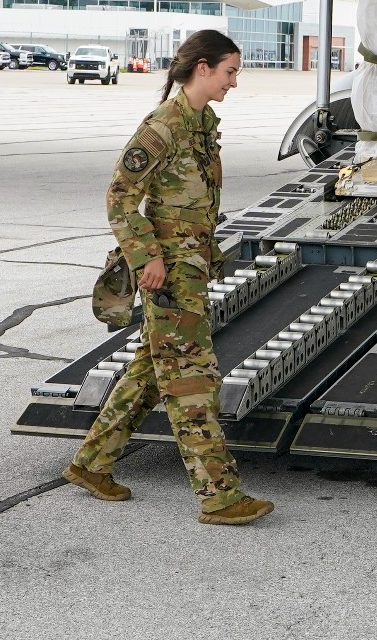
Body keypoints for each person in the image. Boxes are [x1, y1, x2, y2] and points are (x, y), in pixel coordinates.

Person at [63, 29, 274, 526]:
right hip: (169, 272)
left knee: (150, 370)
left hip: (190, 266)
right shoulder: (165, 124)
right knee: (189, 377)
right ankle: (219, 495)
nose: (234, 82)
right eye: (230, 72)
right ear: (202, 67)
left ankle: (92, 463)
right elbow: (119, 196)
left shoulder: (201, 123)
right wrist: (146, 258)